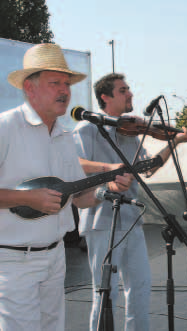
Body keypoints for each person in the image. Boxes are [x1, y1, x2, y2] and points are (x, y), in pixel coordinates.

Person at [73, 73, 187, 331]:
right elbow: (75, 163)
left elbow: (150, 168)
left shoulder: (132, 132)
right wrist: (109, 167)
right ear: (105, 98)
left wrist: (175, 141)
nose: (130, 94)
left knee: (140, 288)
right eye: (123, 90)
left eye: (129, 88)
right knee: (106, 293)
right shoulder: (86, 129)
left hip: (132, 220)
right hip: (102, 220)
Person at [0, 43, 105, 331]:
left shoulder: (63, 136)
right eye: (55, 82)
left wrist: (108, 191)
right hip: (12, 261)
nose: (65, 90)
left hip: (56, 257)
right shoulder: (5, 127)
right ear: (29, 88)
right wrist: (28, 198)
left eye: (67, 83)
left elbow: (79, 199)